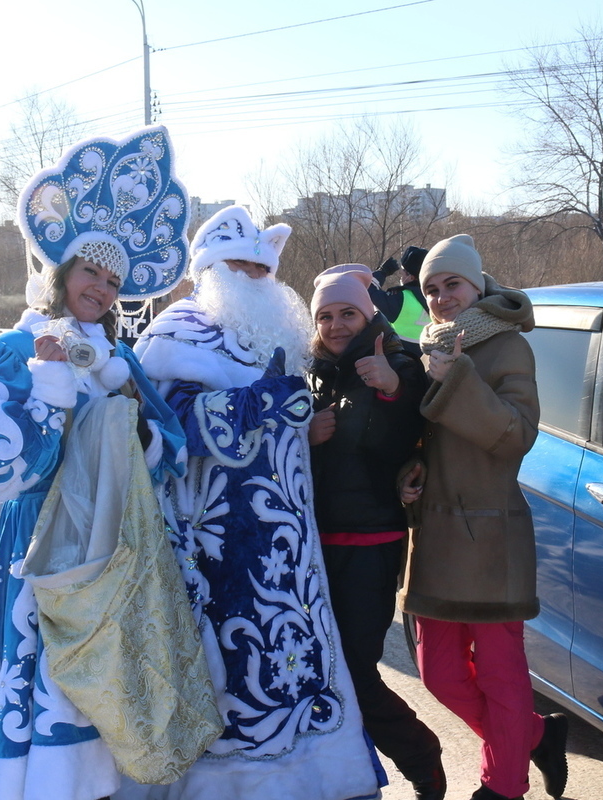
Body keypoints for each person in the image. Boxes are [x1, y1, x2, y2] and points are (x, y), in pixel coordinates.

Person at [0, 126, 191, 800]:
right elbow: (2, 475)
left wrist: (127, 403)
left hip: (115, 551)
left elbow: (170, 459)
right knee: (46, 694)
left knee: (103, 701)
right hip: (40, 552)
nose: (103, 289)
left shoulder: (121, 364)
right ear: (60, 270)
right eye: (91, 272)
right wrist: (49, 390)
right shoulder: (6, 355)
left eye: (114, 280)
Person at [124, 206, 382, 800]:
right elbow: (169, 428)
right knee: (234, 670)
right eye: (240, 266)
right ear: (210, 270)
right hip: (219, 546)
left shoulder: (272, 335)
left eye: (262, 268)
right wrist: (265, 407)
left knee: (295, 659)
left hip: (287, 546)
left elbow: (285, 421)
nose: (255, 277)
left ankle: (307, 779)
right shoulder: (177, 334)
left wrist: (299, 430)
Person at [397, 234, 568, 800]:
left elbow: (517, 436)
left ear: (476, 284)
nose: (443, 297)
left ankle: (504, 784)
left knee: (500, 676)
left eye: (453, 285)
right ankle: (535, 736)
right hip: (439, 535)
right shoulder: (432, 345)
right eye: (433, 289)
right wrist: (413, 466)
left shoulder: (507, 347)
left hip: (493, 536)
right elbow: (433, 437)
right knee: (439, 674)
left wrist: (458, 380)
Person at [306, 264, 445, 800]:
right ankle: (346, 774)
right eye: (326, 316)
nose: (337, 325)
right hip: (318, 544)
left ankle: (422, 760)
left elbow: (406, 441)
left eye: (347, 313)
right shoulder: (318, 371)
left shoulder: (398, 359)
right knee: (324, 666)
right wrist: (304, 436)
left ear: (368, 314)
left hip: (370, 542)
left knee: (356, 670)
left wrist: (391, 393)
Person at [370, 245, 430, 356]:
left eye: (403, 272)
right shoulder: (435, 297)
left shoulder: (401, 298)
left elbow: (368, 290)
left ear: (411, 277)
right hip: (430, 362)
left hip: (401, 362)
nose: (401, 275)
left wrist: (382, 272)